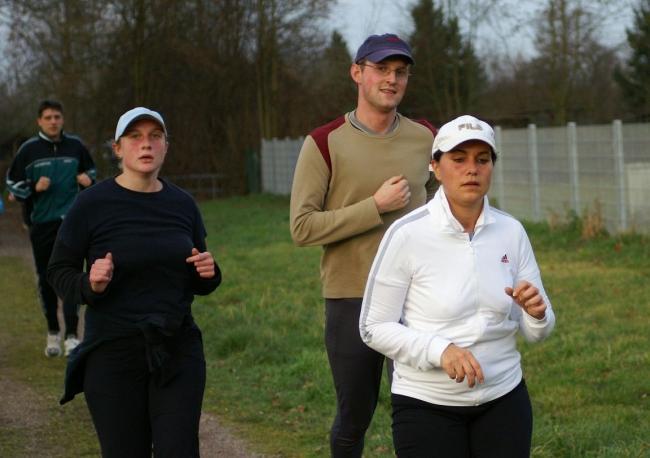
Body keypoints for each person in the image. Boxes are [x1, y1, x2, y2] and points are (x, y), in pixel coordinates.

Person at [360, 115, 556, 457]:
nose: (472, 169)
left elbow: (539, 331)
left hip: (504, 398)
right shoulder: (407, 234)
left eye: (483, 160)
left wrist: (537, 314)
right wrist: (440, 350)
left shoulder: (511, 232)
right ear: (435, 167)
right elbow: (373, 327)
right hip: (427, 404)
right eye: (459, 158)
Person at [289, 34, 437, 457]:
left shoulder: (427, 137)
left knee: (419, 413)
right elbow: (302, 227)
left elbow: (443, 205)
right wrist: (374, 206)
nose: (391, 80)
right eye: (381, 69)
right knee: (354, 417)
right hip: (352, 297)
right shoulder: (324, 141)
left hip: (417, 298)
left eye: (400, 72)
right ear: (357, 73)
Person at [47, 107, 222, 457]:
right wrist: (90, 284)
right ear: (117, 148)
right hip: (113, 352)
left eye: (155, 137)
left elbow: (197, 277)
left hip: (176, 348)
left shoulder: (183, 205)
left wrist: (210, 273)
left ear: (165, 147)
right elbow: (58, 272)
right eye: (135, 137)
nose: (146, 145)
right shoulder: (91, 204)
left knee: (180, 450)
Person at [5, 99, 96, 357]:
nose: (53, 121)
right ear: (39, 121)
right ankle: (53, 333)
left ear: (63, 119)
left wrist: (87, 180)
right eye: (48, 117)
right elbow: (12, 183)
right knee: (47, 278)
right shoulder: (28, 150)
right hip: (41, 223)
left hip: (72, 222)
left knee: (71, 275)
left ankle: (71, 336)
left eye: (57, 116)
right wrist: (34, 188)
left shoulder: (76, 145)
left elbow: (92, 171)